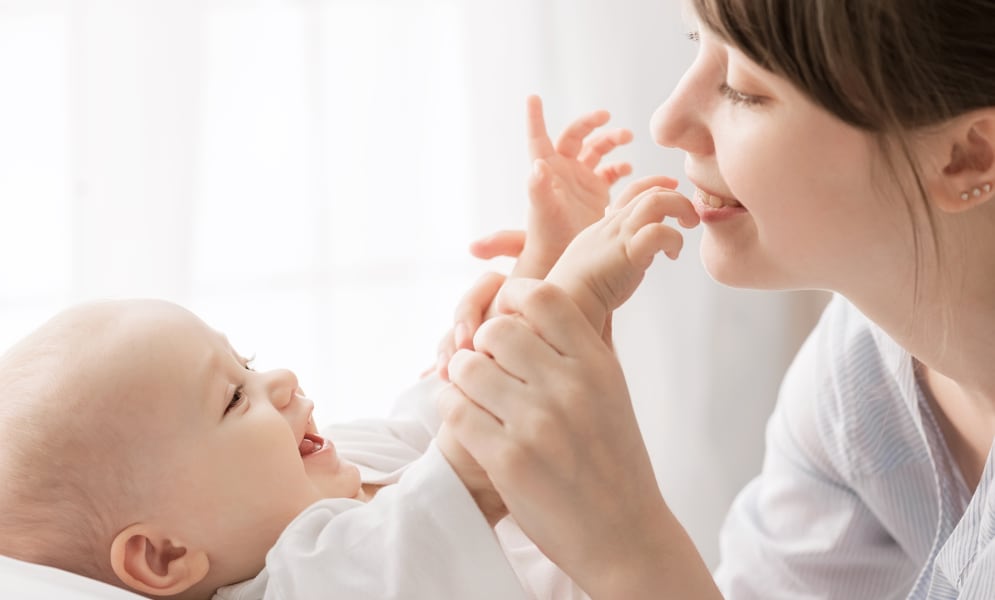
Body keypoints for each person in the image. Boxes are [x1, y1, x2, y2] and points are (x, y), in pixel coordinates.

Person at [0, 98, 697, 599]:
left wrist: (546, 253)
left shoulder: (335, 463)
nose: (277, 379)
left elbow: (454, 406)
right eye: (233, 397)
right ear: (164, 555)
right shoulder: (297, 583)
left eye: (245, 360)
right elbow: (470, 461)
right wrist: (576, 290)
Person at [437, 1, 995, 599]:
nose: (666, 122)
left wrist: (629, 543)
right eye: (694, 42)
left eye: (743, 89)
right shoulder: (860, 379)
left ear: (966, 157)